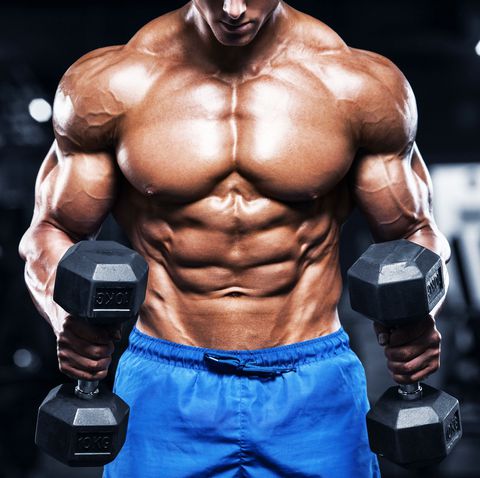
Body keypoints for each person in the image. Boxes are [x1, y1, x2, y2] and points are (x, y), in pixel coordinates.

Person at [19, 1, 450, 476]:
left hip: (312, 382)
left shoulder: (357, 85)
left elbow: (413, 232)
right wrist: (66, 319)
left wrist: (418, 317)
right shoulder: (112, 85)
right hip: (165, 380)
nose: (233, 9)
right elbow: (52, 229)